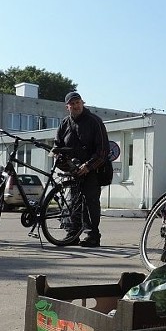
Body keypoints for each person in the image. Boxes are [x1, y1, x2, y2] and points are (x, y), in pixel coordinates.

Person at [54, 91, 108, 247]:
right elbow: (58, 145)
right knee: (74, 202)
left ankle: (93, 236)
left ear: (83, 103)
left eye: (78, 103)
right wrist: (59, 158)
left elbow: (103, 150)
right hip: (72, 169)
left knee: (90, 202)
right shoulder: (65, 123)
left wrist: (88, 166)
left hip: (92, 170)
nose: (76, 106)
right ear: (67, 107)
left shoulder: (95, 121)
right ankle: (73, 234)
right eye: (72, 104)